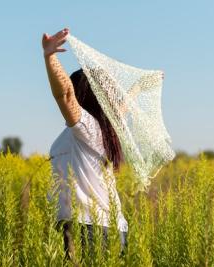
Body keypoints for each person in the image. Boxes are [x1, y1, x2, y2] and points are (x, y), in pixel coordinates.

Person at [42, 28, 128, 261]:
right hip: (100, 228)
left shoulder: (88, 128)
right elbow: (121, 108)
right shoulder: (104, 129)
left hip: (88, 230)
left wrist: (50, 57)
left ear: (83, 97)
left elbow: (65, 96)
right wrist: (140, 88)